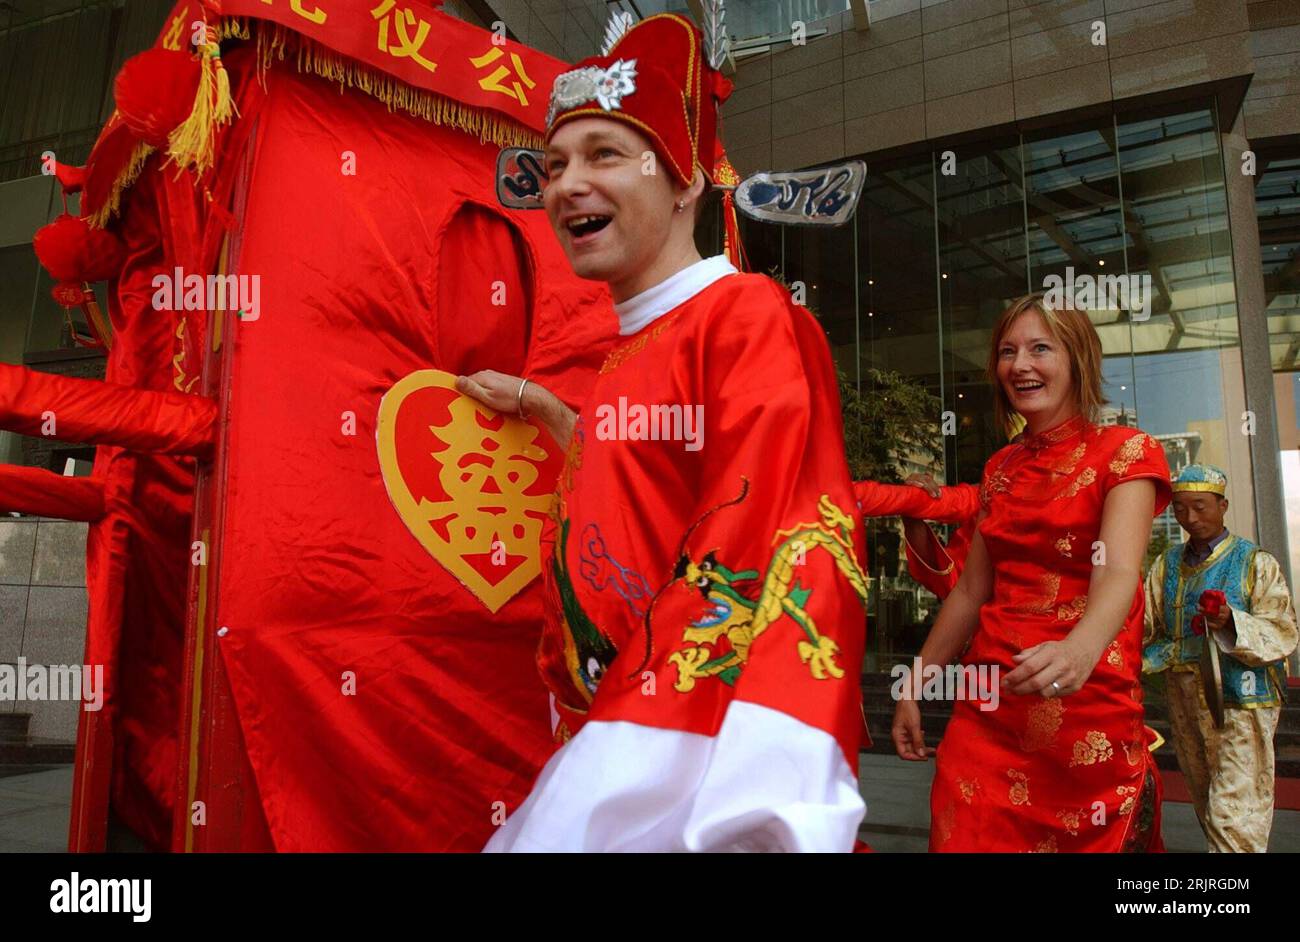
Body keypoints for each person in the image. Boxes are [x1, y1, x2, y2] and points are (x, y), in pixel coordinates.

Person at [457, 13, 869, 852]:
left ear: (685, 182)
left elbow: (774, 544)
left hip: (685, 769)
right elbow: (642, 482)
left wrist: (636, 766)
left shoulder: (748, 317)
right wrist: (542, 406)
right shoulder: (630, 349)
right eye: (555, 164)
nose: (567, 184)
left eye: (606, 154)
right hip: (613, 730)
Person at [892, 292, 1172, 852]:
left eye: (1039, 348)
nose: (1019, 365)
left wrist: (1079, 650)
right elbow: (971, 591)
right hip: (988, 706)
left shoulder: (1126, 453)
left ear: (1077, 358)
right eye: (1007, 351)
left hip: (1084, 703)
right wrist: (915, 683)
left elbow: (1118, 570)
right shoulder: (1000, 468)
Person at [1143, 463, 1298, 852]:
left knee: (1234, 812)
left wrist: (1232, 623)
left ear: (1223, 505)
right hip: (1184, 701)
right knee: (1207, 800)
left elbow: (1283, 631)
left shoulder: (1254, 563)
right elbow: (1145, 626)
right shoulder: (1167, 566)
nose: (1190, 518)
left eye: (1200, 506)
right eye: (1179, 509)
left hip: (1241, 703)